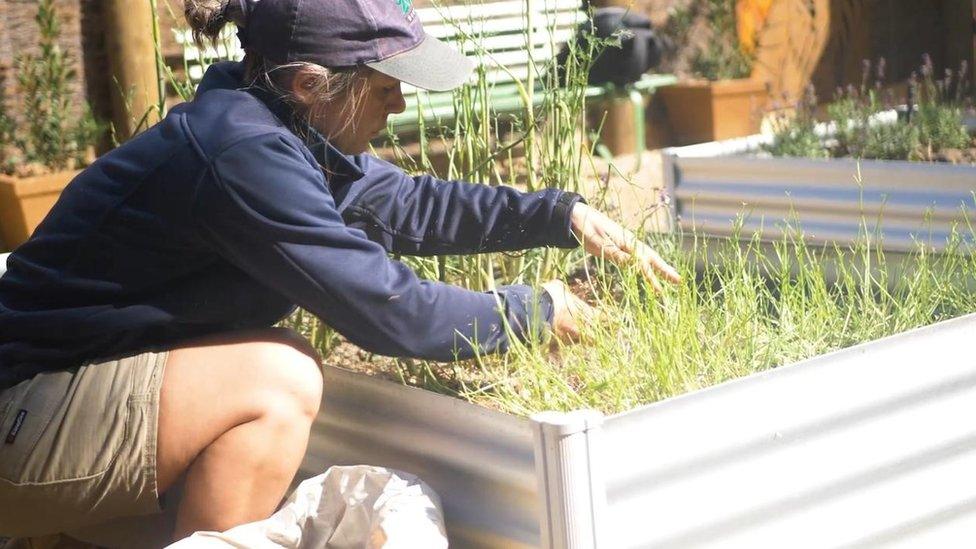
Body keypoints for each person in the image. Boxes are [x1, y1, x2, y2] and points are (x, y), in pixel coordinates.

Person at [0, 0, 680, 544]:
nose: (402, 107)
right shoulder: (241, 157)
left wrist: (561, 214)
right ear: (310, 86)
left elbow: (411, 207)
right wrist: (536, 309)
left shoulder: (278, 127)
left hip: (60, 400)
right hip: (20, 420)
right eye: (387, 89)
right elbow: (390, 311)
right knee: (280, 379)